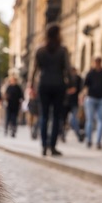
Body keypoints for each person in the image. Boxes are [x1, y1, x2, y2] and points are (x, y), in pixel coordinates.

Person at [31, 23, 69, 156]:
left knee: (44, 116)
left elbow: (34, 70)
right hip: (58, 85)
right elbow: (67, 70)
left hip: (44, 84)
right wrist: (70, 84)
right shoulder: (62, 50)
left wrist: (31, 85)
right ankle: (52, 146)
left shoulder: (40, 50)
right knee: (56, 117)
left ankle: (43, 146)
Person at [83, 56, 102, 150]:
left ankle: (98, 141)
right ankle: (89, 139)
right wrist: (83, 96)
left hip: (101, 99)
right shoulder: (90, 73)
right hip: (91, 98)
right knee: (90, 120)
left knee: (100, 121)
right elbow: (86, 86)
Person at [3, 73, 24, 138]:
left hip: (16, 105)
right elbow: (5, 95)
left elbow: (21, 96)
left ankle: (13, 131)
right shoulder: (9, 87)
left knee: (14, 118)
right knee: (8, 118)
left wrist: (20, 101)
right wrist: (6, 97)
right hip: (9, 105)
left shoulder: (18, 88)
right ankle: (6, 129)